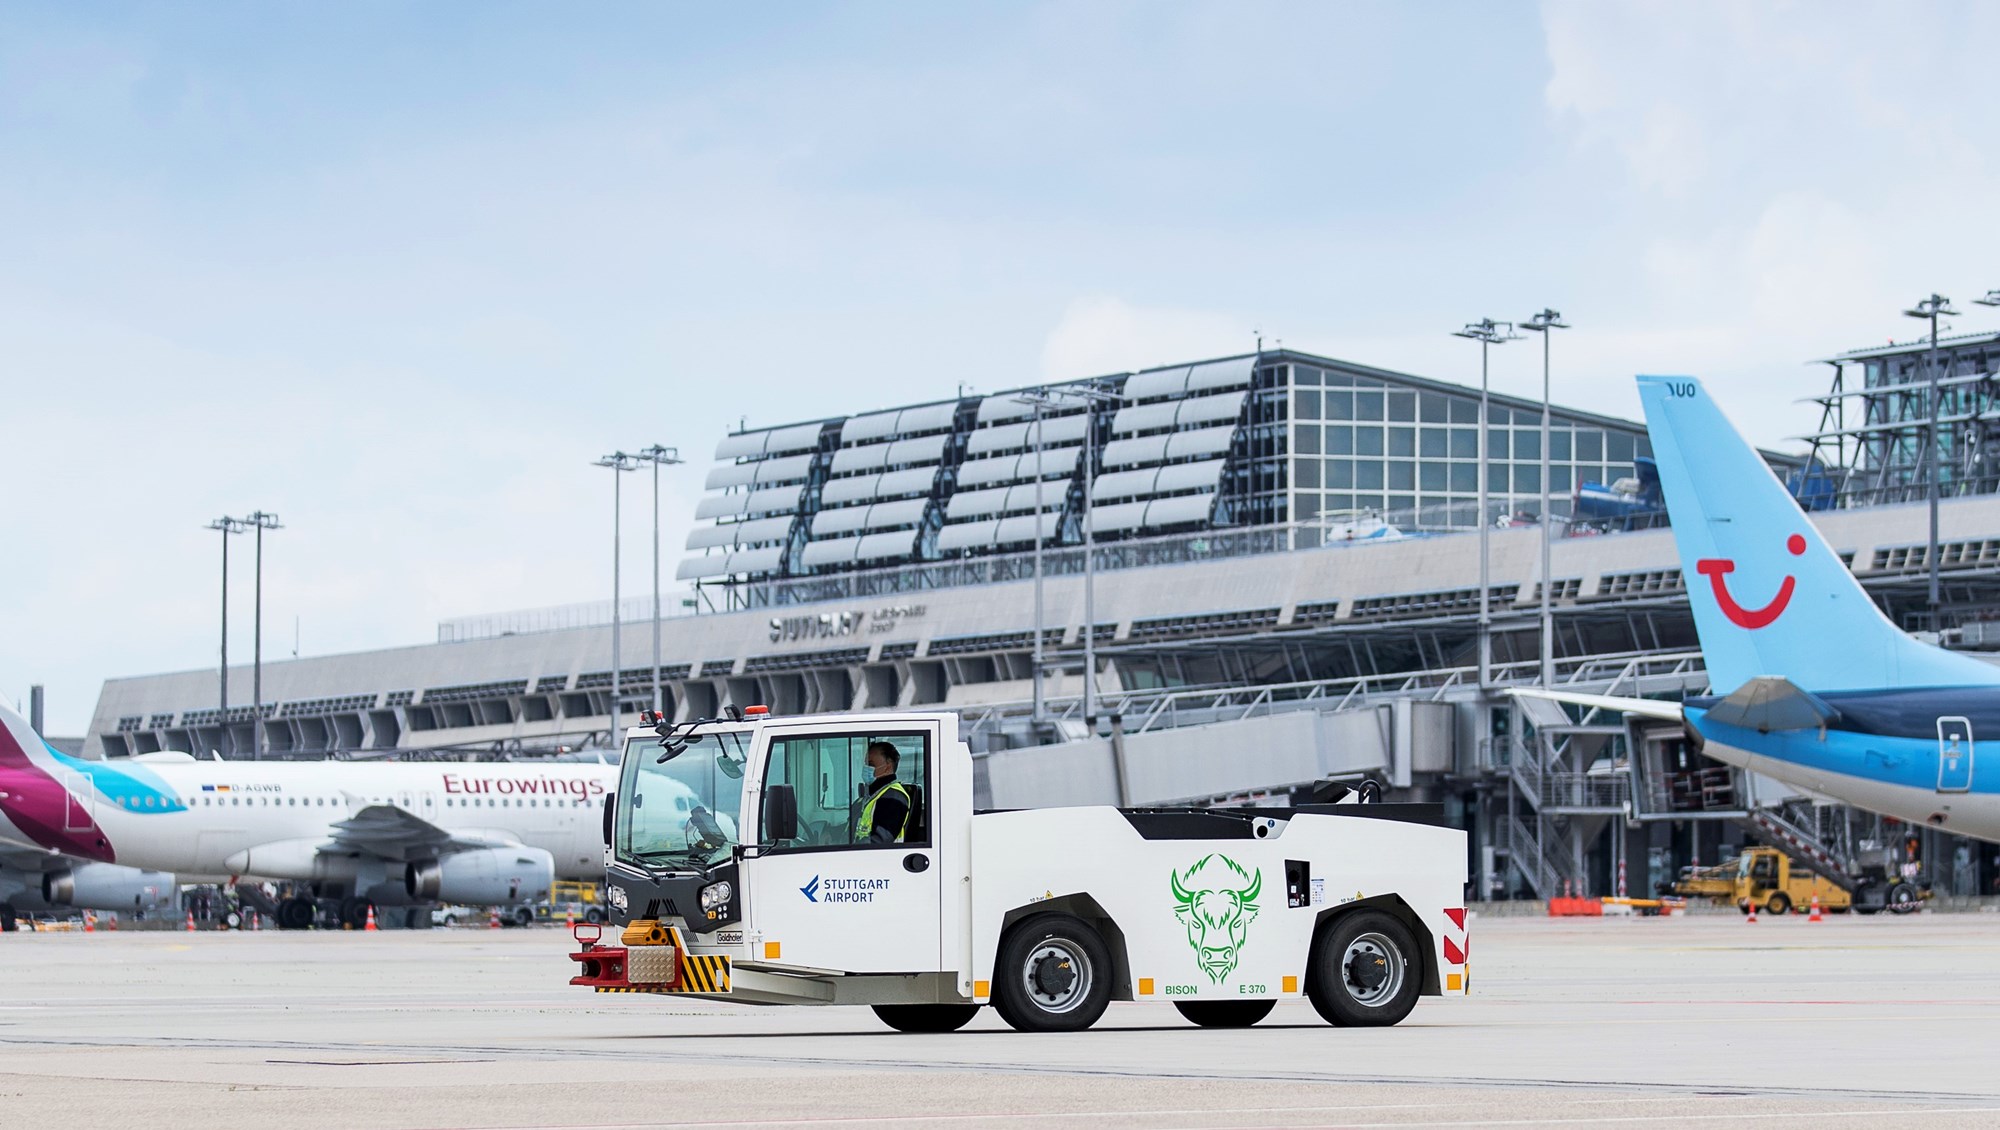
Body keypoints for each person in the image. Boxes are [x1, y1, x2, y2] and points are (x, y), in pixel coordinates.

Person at [855, 740, 912, 844]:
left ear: (888, 766)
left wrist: (852, 848)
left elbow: (880, 840)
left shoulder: (893, 797)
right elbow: (851, 826)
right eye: (865, 764)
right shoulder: (869, 795)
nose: (866, 768)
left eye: (871, 764)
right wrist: (832, 832)